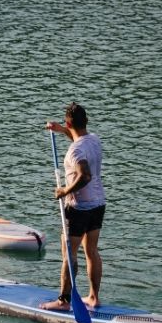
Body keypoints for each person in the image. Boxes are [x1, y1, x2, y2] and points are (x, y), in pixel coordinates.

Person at [39, 102, 106, 311]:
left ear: (69, 122)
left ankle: (64, 301)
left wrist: (64, 191)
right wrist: (61, 130)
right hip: (98, 204)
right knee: (91, 251)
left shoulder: (74, 152)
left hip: (78, 208)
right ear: (85, 121)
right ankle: (94, 297)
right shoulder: (93, 140)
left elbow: (84, 175)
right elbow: (78, 140)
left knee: (70, 253)